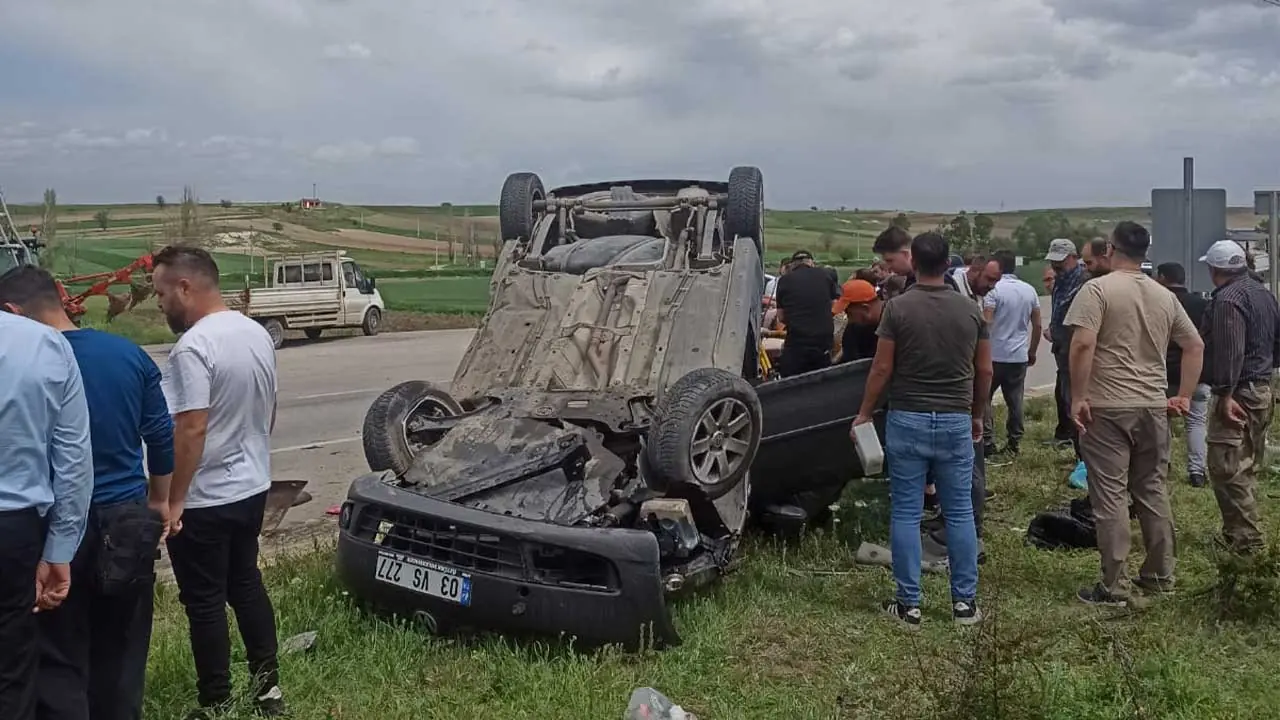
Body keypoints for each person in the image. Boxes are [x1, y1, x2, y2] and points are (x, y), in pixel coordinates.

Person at [0, 267, 174, 720]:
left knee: (58, 651)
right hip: (125, 519)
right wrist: (160, 505)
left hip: (56, 525)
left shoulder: (26, 357)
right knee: (123, 646)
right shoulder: (127, 354)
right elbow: (160, 435)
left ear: (11, 312)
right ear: (61, 294)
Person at [151, 246, 287, 717]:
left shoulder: (194, 347)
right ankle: (268, 690)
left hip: (205, 499)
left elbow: (190, 427)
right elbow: (269, 407)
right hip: (251, 488)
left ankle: (216, 701)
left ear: (185, 287)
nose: (159, 303)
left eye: (162, 292)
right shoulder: (255, 333)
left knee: (204, 602)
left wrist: (175, 499)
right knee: (246, 584)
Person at [853, 232, 991, 628]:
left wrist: (864, 413)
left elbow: (882, 368)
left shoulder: (897, 310)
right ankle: (964, 604)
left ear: (913, 262)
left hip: (908, 417)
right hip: (954, 420)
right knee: (961, 511)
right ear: (948, 264)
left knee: (907, 512)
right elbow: (984, 370)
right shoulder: (970, 312)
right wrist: (976, 414)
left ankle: (909, 604)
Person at [1065, 221, 1203, 605]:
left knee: (1109, 496)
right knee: (1152, 490)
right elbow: (1194, 345)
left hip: (1107, 405)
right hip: (1152, 404)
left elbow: (1082, 345)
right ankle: (1160, 573)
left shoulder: (1097, 290)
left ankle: (1114, 585)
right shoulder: (1162, 295)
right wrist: (1185, 395)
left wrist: (1079, 397)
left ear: (1110, 249)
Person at [0, 298, 94, 720]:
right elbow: (73, 459)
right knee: (11, 672)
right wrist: (59, 551)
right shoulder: (44, 344)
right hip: (13, 531)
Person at [1198, 240, 1280, 553]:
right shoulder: (1264, 293)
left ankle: (1247, 542)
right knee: (1246, 465)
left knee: (1226, 466)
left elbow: (1231, 350)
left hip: (1239, 391)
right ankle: (1239, 535)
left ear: (1214, 269)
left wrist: (1226, 394)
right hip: (1261, 388)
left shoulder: (1227, 300)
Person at [981, 250, 1042, 463]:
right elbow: (1038, 324)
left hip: (994, 355)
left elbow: (986, 324)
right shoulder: (1030, 290)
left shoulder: (993, 290)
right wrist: (1032, 350)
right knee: (1015, 401)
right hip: (1018, 356)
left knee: (984, 398)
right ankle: (1014, 441)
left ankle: (987, 441)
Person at [1155, 262, 1211, 488]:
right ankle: (1197, 472)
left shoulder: (1158, 302)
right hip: (1197, 373)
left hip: (1164, 373)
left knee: (1160, 421)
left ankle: (1161, 467)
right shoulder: (1203, 304)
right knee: (1196, 422)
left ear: (1162, 277)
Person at [1045, 238, 1085, 451]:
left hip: (1075, 347)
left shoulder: (1082, 280)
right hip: (1061, 346)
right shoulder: (1061, 279)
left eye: (1060, 261)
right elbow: (1058, 308)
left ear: (1072, 257)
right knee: (1064, 394)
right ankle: (1071, 438)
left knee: (1073, 398)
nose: (1055, 266)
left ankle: (1082, 451)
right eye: (1053, 261)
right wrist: (1053, 327)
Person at [773, 250, 840, 376]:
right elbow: (833, 306)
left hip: (797, 342)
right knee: (822, 380)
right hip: (823, 341)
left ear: (792, 265)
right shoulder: (825, 275)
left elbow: (781, 317)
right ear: (812, 263)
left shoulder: (784, 280)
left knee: (792, 381)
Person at [832, 279, 882, 364]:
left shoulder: (895, 324)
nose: (849, 319)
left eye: (849, 314)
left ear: (865, 308)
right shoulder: (853, 329)